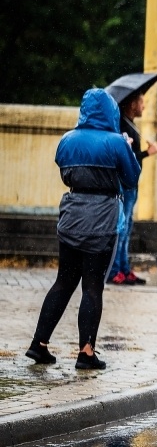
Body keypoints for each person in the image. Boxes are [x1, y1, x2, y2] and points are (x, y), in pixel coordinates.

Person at [25, 89, 140, 370]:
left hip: (71, 214)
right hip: (102, 217)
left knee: (63, 281)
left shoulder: (67, 140)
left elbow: (65, 172)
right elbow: (131, 178)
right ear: (110, 111)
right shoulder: (116, 142)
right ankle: (86, 351)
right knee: (92, 285)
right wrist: (125, 146)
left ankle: (38, 344)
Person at [108, 91, 157, 285]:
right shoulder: (122, 125)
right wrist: (146, 152)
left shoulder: (130, 126)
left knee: (127, 228)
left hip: (131, 184)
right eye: (141, 102)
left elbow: (132, 158)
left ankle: (124, 268)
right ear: (132, 104)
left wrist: (147, 152)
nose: (144, 106)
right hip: (124, 185)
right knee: (121, 229)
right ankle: (115, 270)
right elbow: (125, 160)